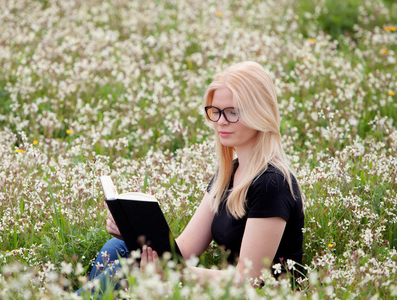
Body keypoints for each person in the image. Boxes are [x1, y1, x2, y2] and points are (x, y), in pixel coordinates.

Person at [77, 61, 304, 296]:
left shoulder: (272, 183)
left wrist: (176, 273)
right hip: (222, 288)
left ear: (260, 113)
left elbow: (247, 281)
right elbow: (184, 250)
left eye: (233, 112)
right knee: (115, 248)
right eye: (215, 111)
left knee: (122, 271)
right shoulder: (229, 174)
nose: (221, 121)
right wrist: (131, 231)